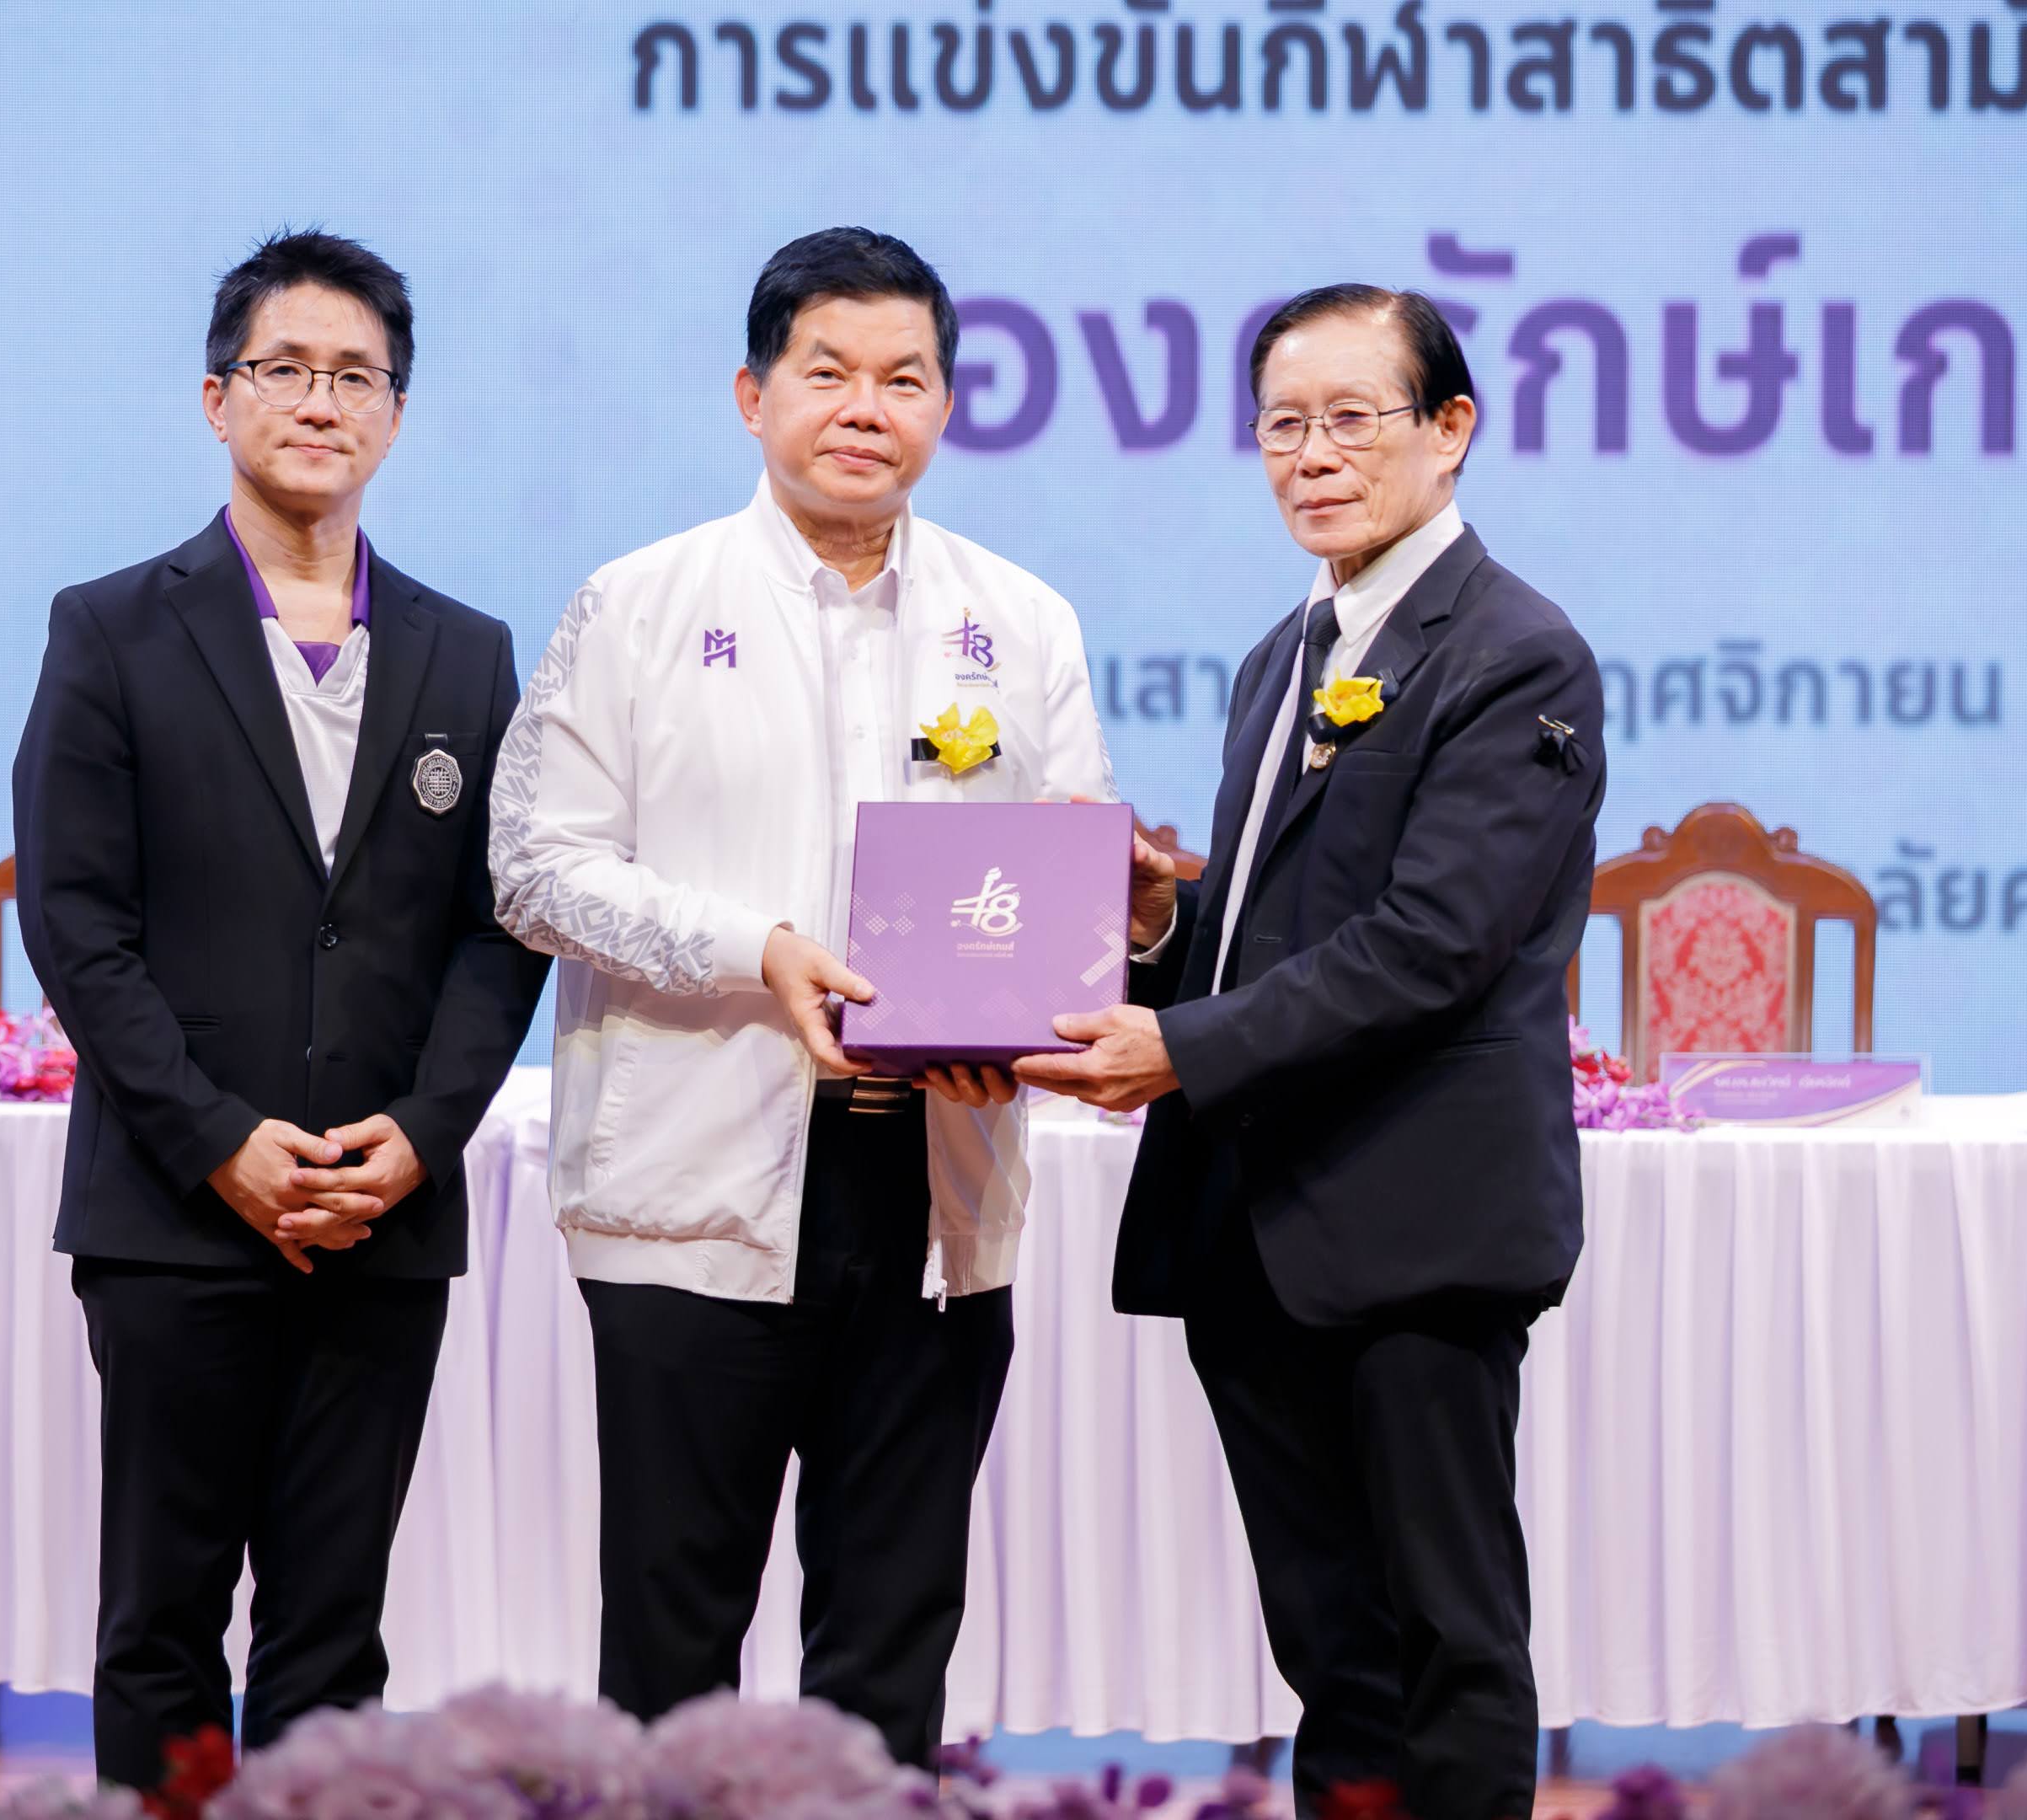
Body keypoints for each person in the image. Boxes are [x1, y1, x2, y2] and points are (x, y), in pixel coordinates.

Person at [486, 227, 1143, 1768]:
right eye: (828, 371)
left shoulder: (1022, 619)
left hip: (936, 1194)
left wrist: (1046, 1003)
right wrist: (755, 949)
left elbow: (1067, 872)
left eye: (904, 379)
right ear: (753, 394)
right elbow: (532, 871)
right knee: (673, 1643)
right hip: (695, 1188)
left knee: (891, 1645)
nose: (866, 407)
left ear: (947, 408)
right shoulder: (639, 604)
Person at [1015, 285, 1607, 1820]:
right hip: (1259, 1231)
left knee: (1444, 1642)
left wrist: (1179, 1047)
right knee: (1336, 1655)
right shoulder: (1283, 654)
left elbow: (1432, 945)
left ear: (1451, 429)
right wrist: (1163, 924)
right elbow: (1286, 925)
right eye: (1284, 424)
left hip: (1416, 1231)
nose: (1313, 455)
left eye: (1353, 417)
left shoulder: (1516, 654)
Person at [10, 228, 548, 1788]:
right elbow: (76, 922)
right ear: (218, 397)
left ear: (396, 413)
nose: (321, 401)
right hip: (177, 1209)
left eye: (356, 376)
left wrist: (424, 1135)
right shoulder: (112, 628)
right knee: (162, 1618)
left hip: (381, 1211)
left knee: (334, 1628)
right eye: (286, 368)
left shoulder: (466, 653)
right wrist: (215, 1140)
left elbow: (501, 928)